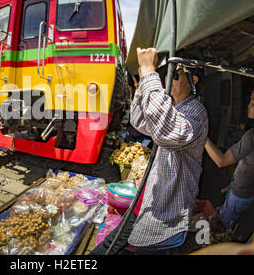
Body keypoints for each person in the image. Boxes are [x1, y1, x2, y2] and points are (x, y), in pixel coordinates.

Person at [91, 47, 208, 255]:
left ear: (193, 80)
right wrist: (141, 87)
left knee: (122, 248)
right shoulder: (176, 107)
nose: (168, 80)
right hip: (147, 202)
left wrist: (148, 73)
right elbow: (139, 122)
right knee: (112, 245)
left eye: (175, 74)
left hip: (165, 215)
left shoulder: (195, 111)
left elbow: (167, 133)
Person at [205, 90, 254, 229]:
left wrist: (203, 136)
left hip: (239, 196)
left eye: (253, 102)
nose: (248, 105)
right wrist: (233, 185)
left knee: (221, 228)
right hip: (247, 193)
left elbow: (221, 161)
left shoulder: (250, 137)